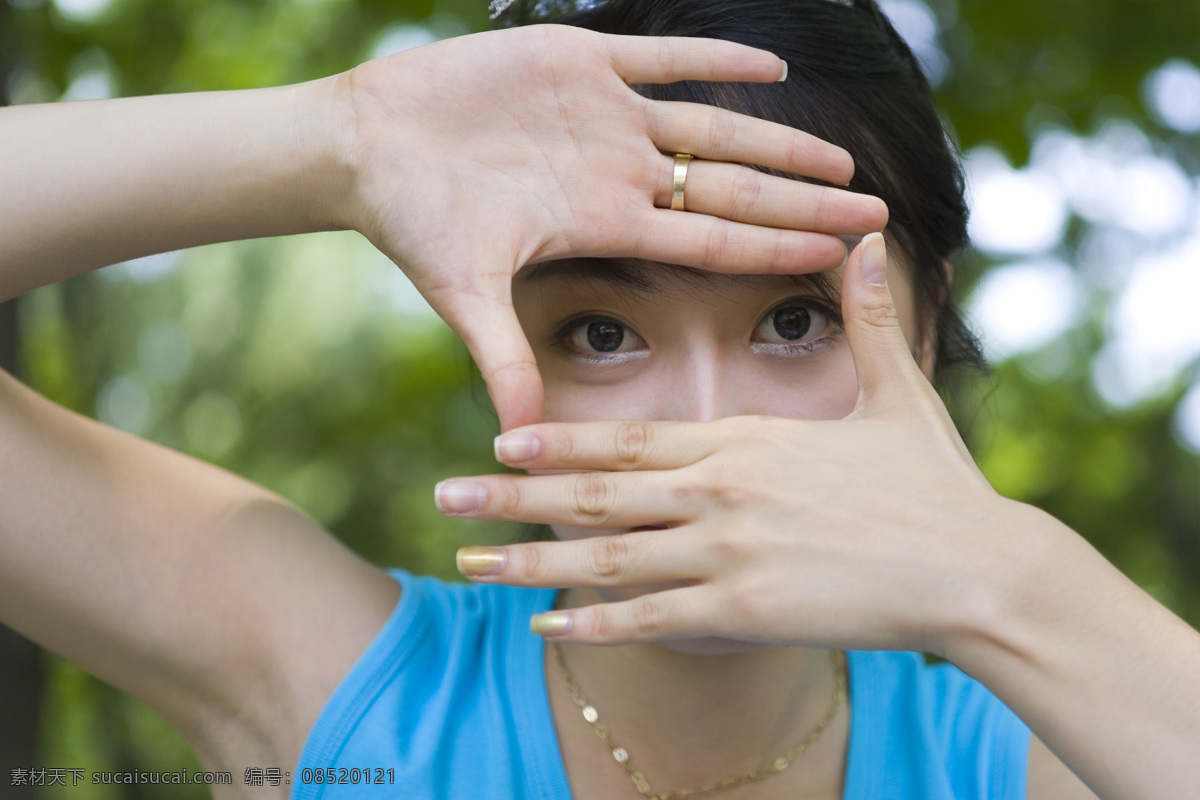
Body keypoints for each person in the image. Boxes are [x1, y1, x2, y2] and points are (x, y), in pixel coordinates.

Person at [0, 1, 1197, 800]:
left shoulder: (1047, 755)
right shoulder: (336, 689)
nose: (706, 427)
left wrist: (1008, 577)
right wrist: (345, 138)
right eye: (602, 331)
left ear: (930, 328)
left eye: (796, 319)